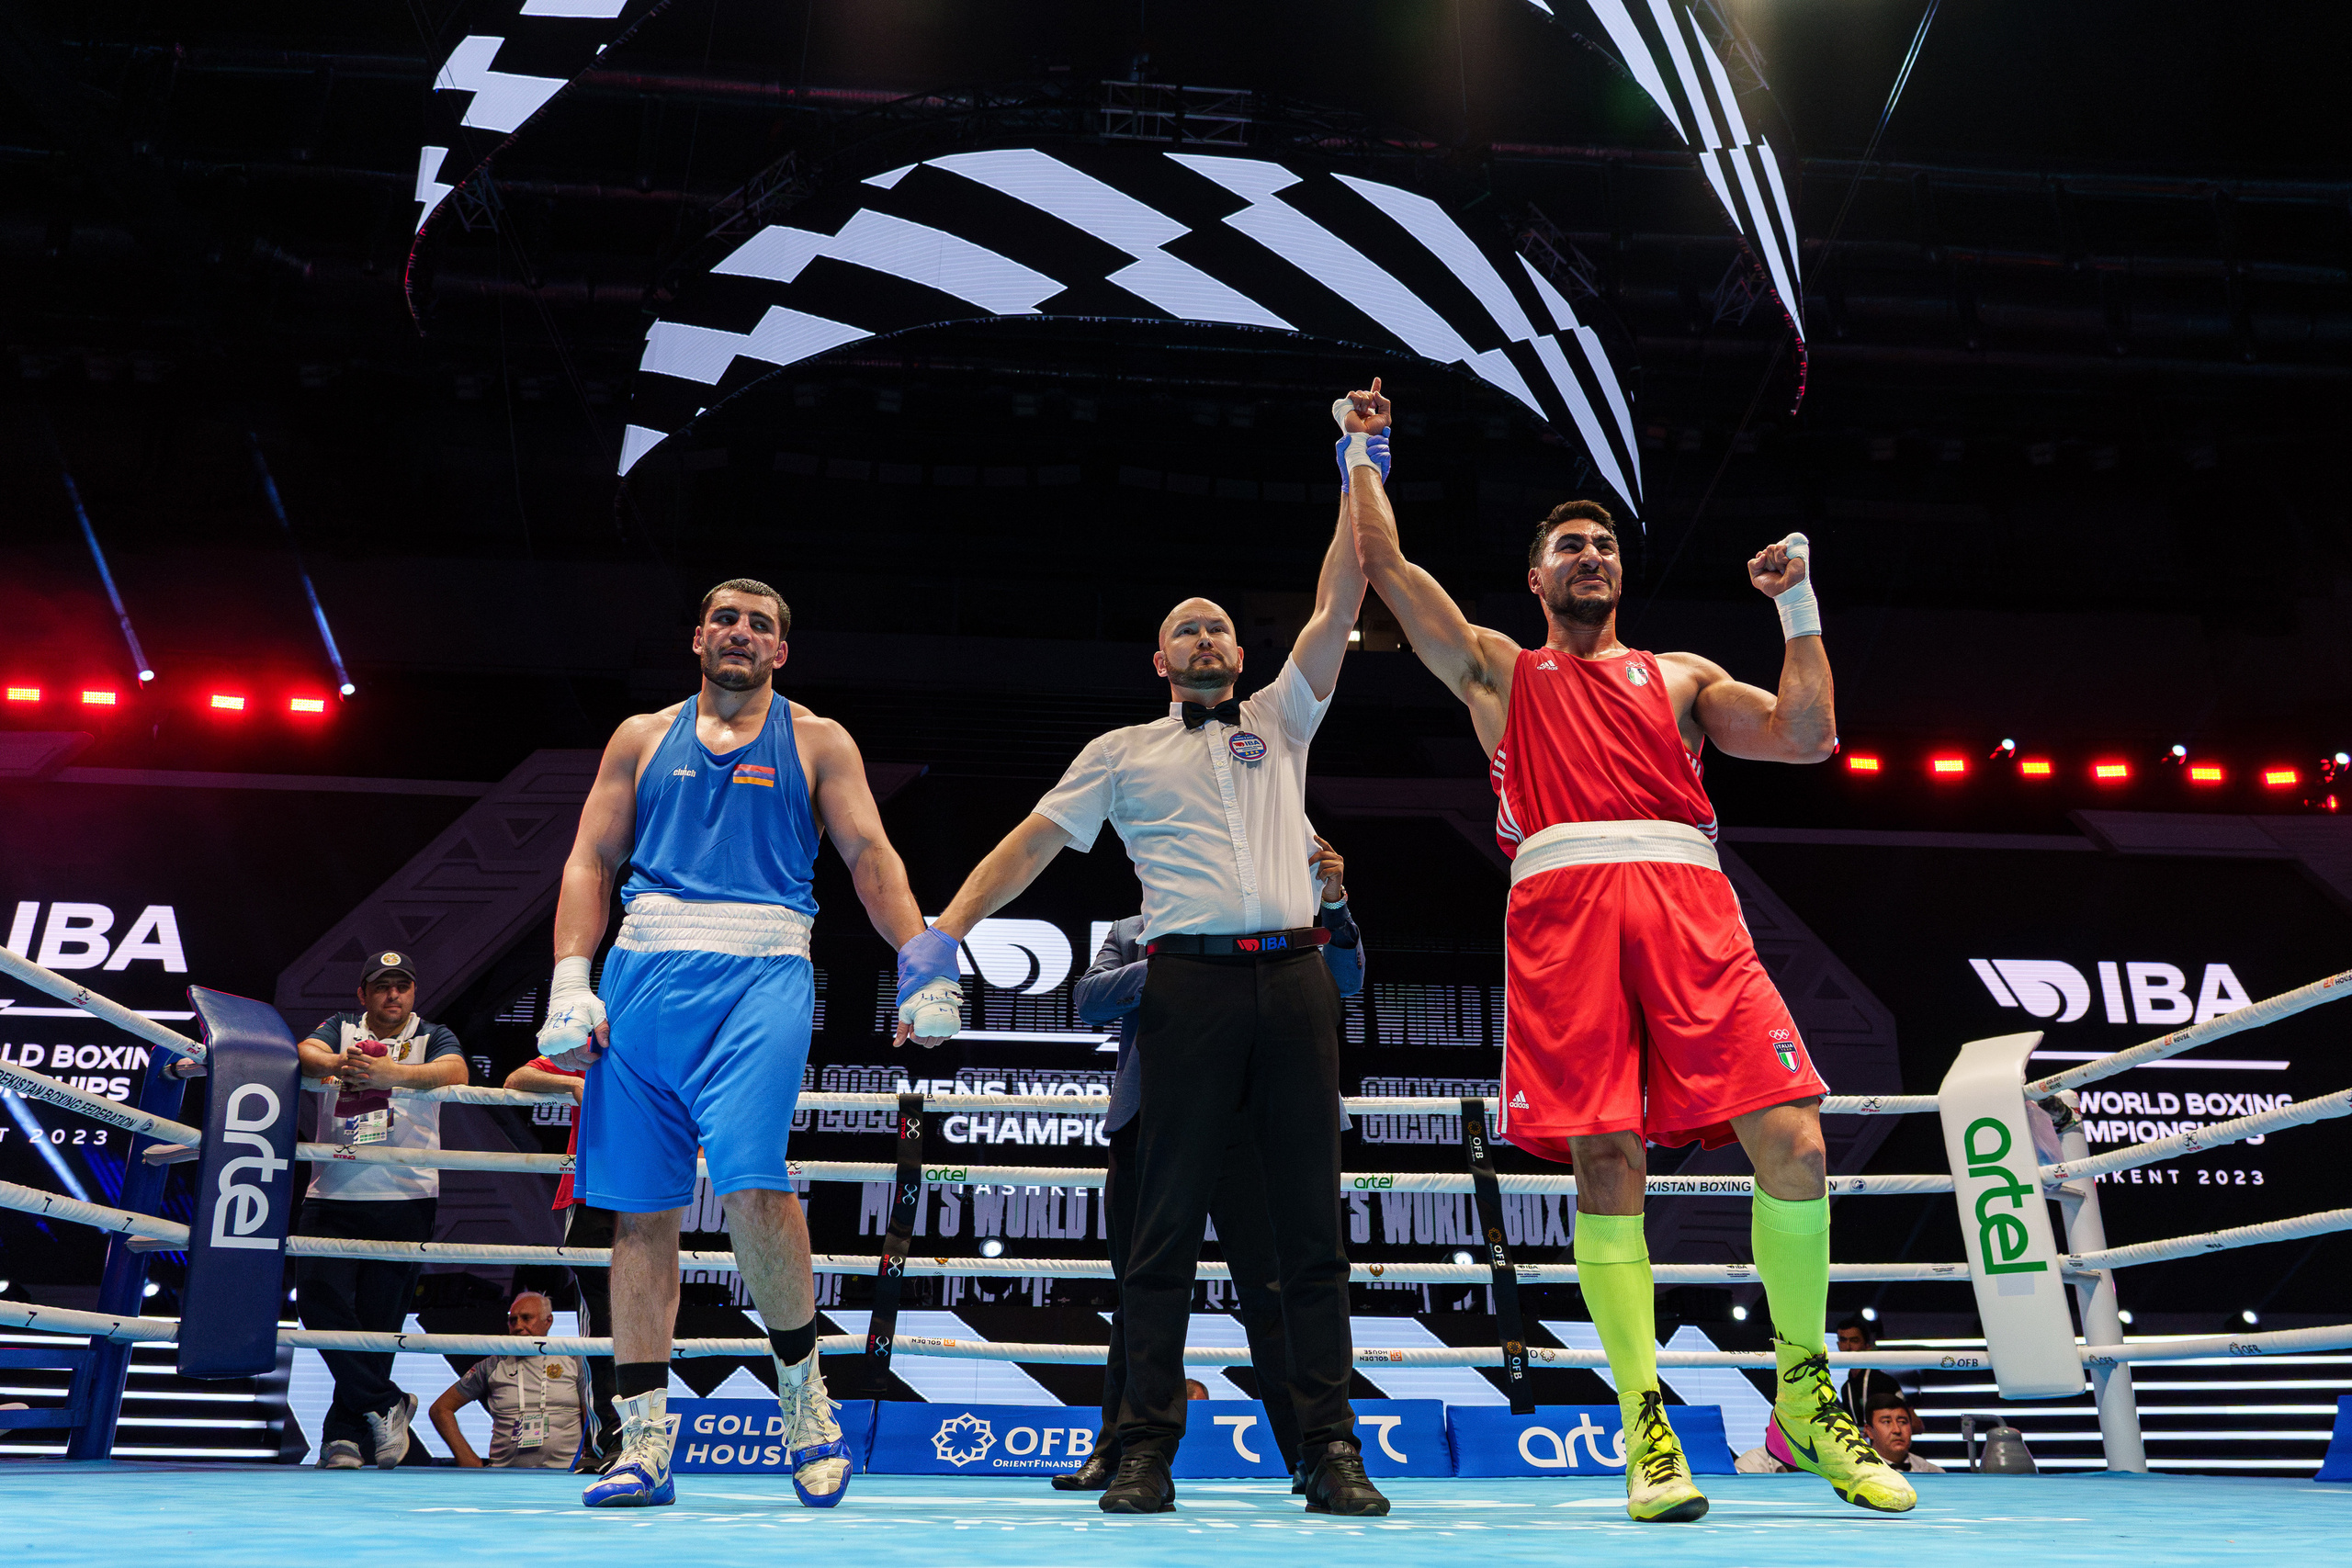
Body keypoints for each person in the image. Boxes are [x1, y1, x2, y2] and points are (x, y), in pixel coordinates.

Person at [1348, 378, 1915, 1521]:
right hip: (1560, 910)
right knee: (1608, 1163)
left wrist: (1797, 606)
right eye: (1570, 544)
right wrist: (1364, 453)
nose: (1592, 555)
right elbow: (1388, 577)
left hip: (1691, 905)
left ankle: (1804, 1393)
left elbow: (1808, 738)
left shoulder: (1685, 675)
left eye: (1604, 543)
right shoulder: (1502, 670)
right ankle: (1644, 1422)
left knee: (1795, 1140)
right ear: (1537, 576)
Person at [898, 396, 1390, 1517]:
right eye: (1188, 628)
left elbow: (1343, 588)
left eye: (1220, 625)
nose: (1209, 637)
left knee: (1310, 1228)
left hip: (1297, 978)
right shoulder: (1117, 752)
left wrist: (1357, 459)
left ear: (1238, 650)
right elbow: (1030, 842)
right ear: (1157, 658)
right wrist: (943, 933)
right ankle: (1142, 1452)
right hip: (1186, 991)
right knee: (1161, 1235)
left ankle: (1328, 1449)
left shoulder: (1285, 717)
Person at [535, 578, 935, 1511]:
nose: (741, 633)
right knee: (639, 1213)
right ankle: (640, 1442)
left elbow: (870, 856)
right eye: (726, 618)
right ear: (698, 638)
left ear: (781, 652)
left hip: (762, 969)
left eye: (761, 624)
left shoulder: (817, 738)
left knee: (755, 1182)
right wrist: (568, 976)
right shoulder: (639, 735)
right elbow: (590, 858)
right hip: (641, 975)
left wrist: (918, 960)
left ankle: (807, 1410)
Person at [1055, 835, 1366, 1495]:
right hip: (1153, 1122)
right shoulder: (1132, 932)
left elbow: (1347, 980)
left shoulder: (1282, 925)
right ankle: (1119, 1451)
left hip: (1256, 1126)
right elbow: (1087, 999)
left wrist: (1333, 905)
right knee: (1144, 1285)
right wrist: (1178, 962)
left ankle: (1311, 1452)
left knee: (1276, 1291)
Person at [294, 951, 469, 1471]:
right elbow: (304, 1053)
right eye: (383, 986)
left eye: (403, 986)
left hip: (406, 1195)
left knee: (377, 1323)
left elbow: (455, 1069)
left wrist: (392, 1073)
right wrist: (340, 1064)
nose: (394, 995)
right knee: (318, 1307)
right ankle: (388, 1402)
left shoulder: (432, 1034)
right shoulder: (340, 1027)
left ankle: (345, 1441)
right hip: (332, 1192)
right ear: (363, 994)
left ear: (413, 992)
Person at [504, 1055, 621, 1469]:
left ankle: (644, 1439)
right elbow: (517, 1077)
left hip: (650, 1195)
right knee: (602, 1324)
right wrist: (571, 1085)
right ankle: (607, 1443)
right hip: (590, 1194)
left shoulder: (671, 1047)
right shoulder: (589, 1051)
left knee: (644, 1319)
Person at [427, 1292, 592, 1468]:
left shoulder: (573, 1359)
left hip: (565, 1473)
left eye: (526, 1318)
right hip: (503, 1475)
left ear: (548, 1321)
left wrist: (589, 1454)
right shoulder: (492, 1365)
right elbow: (440, 1409)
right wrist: (468, 1459)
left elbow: (590, 1412)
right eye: (513, 1320)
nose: (518, 1326)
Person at [1739, 1385, 1941, 1475]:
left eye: (1903, 1422)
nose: (1897, 1430)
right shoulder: (1750, 1464)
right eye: (1887, 1421)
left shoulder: (1837, 1465)